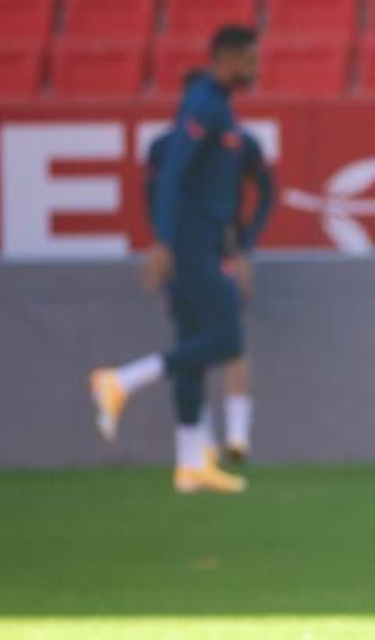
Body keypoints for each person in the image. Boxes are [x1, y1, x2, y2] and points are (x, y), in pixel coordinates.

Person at [89, 25, 259, 494]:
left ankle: (189, 463)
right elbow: (172, 176)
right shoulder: (204, 105)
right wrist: (165, 241)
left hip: (199, 239)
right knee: (226, 339)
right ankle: (119, 380)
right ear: (226, 58)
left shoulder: (219, 106)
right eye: (248, 59)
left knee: (192, 343)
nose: (255, 67)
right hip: (193, 242)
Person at [144, 68, 275, 466]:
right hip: (186, 252)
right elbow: (155, 196)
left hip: (221, 249)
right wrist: (164, 244)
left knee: (229, 336)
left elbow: (268, 190)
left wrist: (244, 245)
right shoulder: (166, 148)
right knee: (194, 341)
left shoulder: (239, 142)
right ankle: (197, 443)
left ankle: (237, 436)